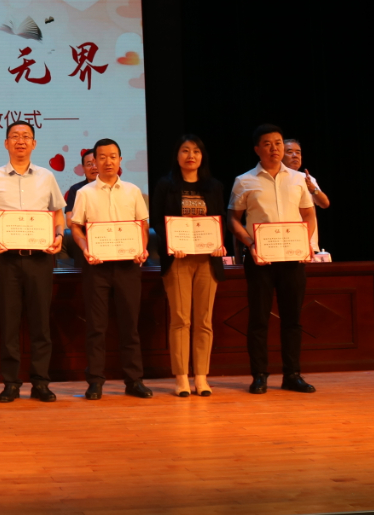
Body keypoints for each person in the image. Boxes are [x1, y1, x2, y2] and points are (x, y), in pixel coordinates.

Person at [0, 121, 66, 403]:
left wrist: (59, 235)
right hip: (6, 260)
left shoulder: (46, 176)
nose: (20, 141)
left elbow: (58, 214)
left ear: (34, 143)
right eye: (14, 136)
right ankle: (11, 383)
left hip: (40, 259)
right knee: (9, 324)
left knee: (41, 324)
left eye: (26, 136)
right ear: (6, 143)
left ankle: (40, 382)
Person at [229, 124, 317, 395]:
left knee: (292, 319)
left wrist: (305, 242)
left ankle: (292, 374)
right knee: (258, 319)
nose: (274, 148)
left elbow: (309, 214)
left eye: (278, 143)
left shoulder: (298, 179)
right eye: (267, 144)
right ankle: (259, 375)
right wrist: (250, 244)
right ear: (257, 149)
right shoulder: (244, 180)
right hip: (260, 260)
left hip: (293, 259)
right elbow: (233, 219)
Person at [70, 139, 153, 399]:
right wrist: (85, 248)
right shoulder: (85, 193)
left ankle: (134, 380)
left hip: (128, 266)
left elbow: (142, 225)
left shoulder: (132, 191)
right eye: (102, 157)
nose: (108, 161)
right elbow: (76, 227)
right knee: (97, 327)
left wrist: (142, 247)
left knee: (130, 325)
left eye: (113, 156)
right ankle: (95, 381)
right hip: (97, 267)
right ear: (94, 161)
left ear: (120, 160)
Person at [149, 135, 227, 397]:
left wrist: (219, 243)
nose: (190, 156)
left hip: (207, 259)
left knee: (204, 320)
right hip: (178, 258)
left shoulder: (214, 186)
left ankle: (201, 377)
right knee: (181, 319)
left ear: (202, 156)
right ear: (177, 155)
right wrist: (171, 243)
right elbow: (157, 222)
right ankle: (181, 377)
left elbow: (220, 219)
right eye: (185, 150)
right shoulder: (166, 185)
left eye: (196, 151)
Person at [282, 138, 330, 252]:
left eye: (298, 152)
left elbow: (325, 204)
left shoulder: (307, 178)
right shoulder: (275, 180)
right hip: (284, 242)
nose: (295, 155)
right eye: (289, 152)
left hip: (309, 245)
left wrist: (313, 189)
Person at [63, 149, 99, 265]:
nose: (94, 167)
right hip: (83, 241)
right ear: (83, 168)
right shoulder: (76, 190)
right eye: (89, 164)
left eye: (96, 163)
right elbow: (70, 222)